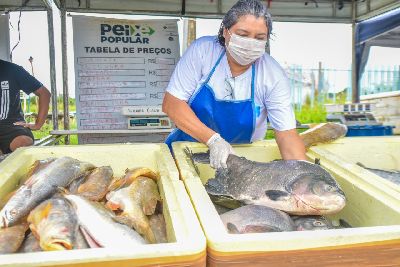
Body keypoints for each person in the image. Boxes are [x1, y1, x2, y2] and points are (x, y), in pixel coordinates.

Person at [162, 0, 306, 169]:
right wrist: (214, 141)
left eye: (259, 38)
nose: (250, 42)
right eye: (243, 34)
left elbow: (287, 134)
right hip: (187, 150)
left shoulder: (273, 74)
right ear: (225, 31)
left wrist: (303, 175)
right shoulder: (203, 51)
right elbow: (172, 104)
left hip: (240, 159)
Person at [0, 59, 51, 154]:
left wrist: (38, 124)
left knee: (23, 142)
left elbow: (44, 93)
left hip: (12, 126)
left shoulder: (12, 70)